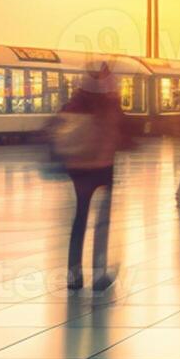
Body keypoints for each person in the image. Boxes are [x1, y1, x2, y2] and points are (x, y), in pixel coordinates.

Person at [52, 63, 127, 291]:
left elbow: (60, 129)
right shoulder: (109, 102)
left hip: (78, 168)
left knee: (79, 219)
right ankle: (99, 274)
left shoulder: (75, 102)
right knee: (102, 222)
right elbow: (121, 131)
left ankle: (73, 276)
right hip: (103, 166)